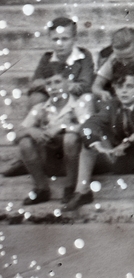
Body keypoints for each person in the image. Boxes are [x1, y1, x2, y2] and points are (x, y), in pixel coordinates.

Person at [66, 63, 134, 212]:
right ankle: (82, 191)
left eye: (129, 86)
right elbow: (88, 125)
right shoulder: (112, 105)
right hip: (121, 158)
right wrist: (98, 146)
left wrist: (128, 141)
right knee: (89, 140)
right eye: (119, 87)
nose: (124, 91)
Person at [14, 65, 89, 207]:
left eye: (58, 82)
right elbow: (17, 135)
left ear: (68, 84)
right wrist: (31, 131)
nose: (53, 87)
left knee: (70, 138)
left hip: (74, 161)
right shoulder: (40, 108)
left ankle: (70, 187)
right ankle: (41, 189)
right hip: (50, 160)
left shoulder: (78, 105)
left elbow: (89, 130)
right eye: (49, 84)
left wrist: (62, 127)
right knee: (24, 142)